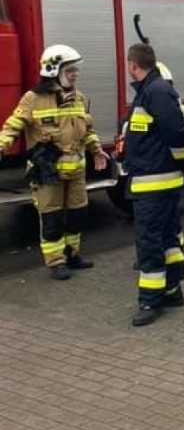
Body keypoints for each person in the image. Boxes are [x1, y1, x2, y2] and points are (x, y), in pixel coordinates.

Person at [0, 44, 108, 279]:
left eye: (75, 70)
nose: (75, 74)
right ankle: (56, 261)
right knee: (51, 219)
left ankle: (72, 254)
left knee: (78, 214)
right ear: (53, 71)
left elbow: (86, 130)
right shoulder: (33, 99)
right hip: (48, 172)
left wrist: (97, 150)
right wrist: (2, 145)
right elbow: (13, 126)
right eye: (70, 70)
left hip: (77, 171)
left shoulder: (78, 97)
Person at [124, 43, 184, 327]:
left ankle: (149, 301)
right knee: (168, 240)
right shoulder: (152, 90)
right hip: (156, 182)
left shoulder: (155, 92)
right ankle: (172, 290)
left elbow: (177, 135)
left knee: (151, 242)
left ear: (133, 64)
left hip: (153, 185)